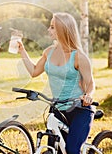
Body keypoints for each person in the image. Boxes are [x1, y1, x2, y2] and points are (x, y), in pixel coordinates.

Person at [18, 12, 95, 154]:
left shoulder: (78, 56)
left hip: (79, 109)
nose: (49, 30)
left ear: (63, 30)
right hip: (58, 110)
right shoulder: (48, 52)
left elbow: (90, 83)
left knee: (72, 150)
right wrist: (22, 51)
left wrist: (88, 95)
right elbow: (34, 71)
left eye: (52, 27)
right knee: (55, 150)